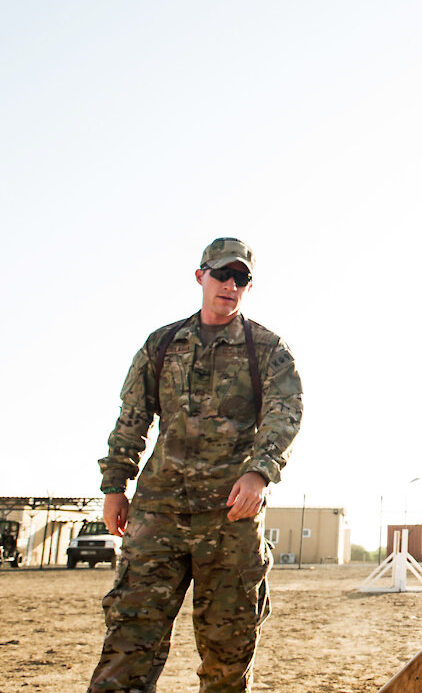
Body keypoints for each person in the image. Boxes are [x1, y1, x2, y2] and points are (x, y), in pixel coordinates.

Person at [89, 237, 304, 693]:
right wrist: (115, 486)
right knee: (128, 643)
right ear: (200, 275)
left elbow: (284, 412)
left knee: (227, 655)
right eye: (222, 274)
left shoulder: (266, 349)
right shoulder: (163, 345)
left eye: (241, 278)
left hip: (230, 519)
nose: (230, 284)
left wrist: (258, 472)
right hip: (157, 515)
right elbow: (133, 417)